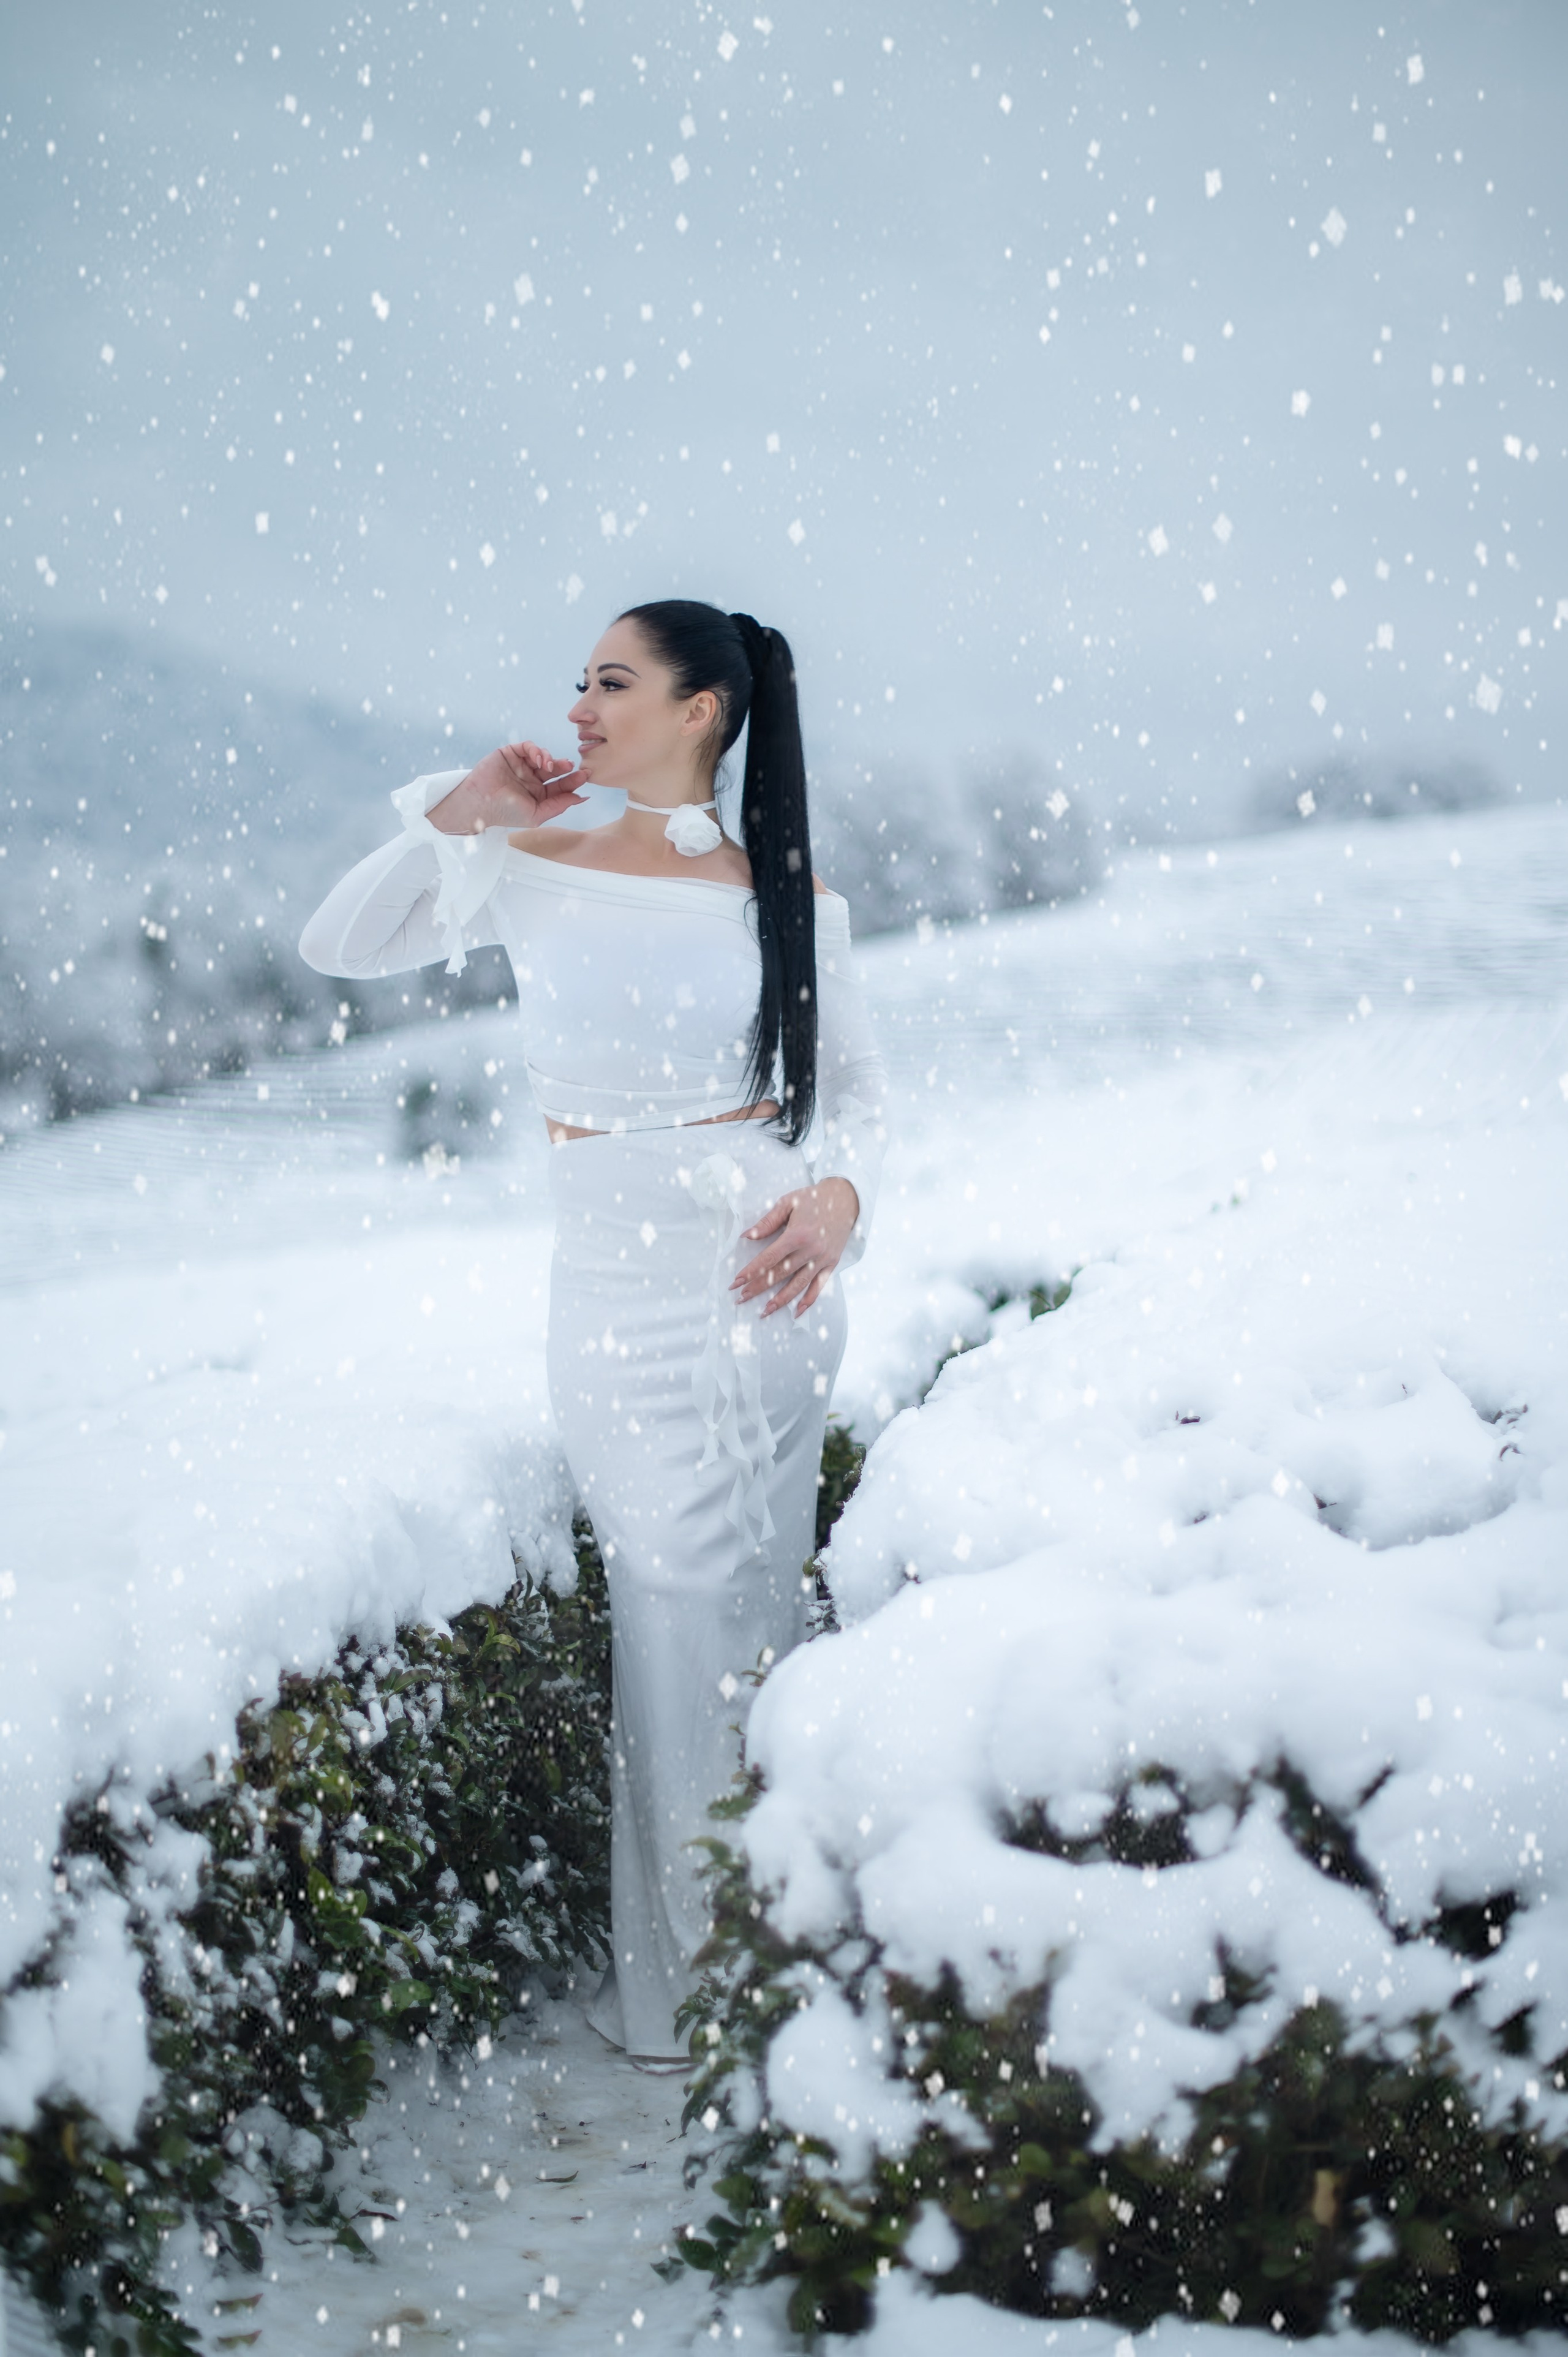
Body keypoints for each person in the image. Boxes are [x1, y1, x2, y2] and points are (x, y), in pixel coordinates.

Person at [298, 601, 888, 2062]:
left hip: (765, 1291)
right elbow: (340, 943)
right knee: (668, 1601)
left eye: (610, 682)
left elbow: (858, 1099)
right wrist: (465, 810)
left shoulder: (790, 906)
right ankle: (698, 1981)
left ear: (700, 710)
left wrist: (836, 1203)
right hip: (616, 1297)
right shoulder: (529, 863)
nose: (577, 705)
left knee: (750, 1605)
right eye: (576, 680)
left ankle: (779, 1949)